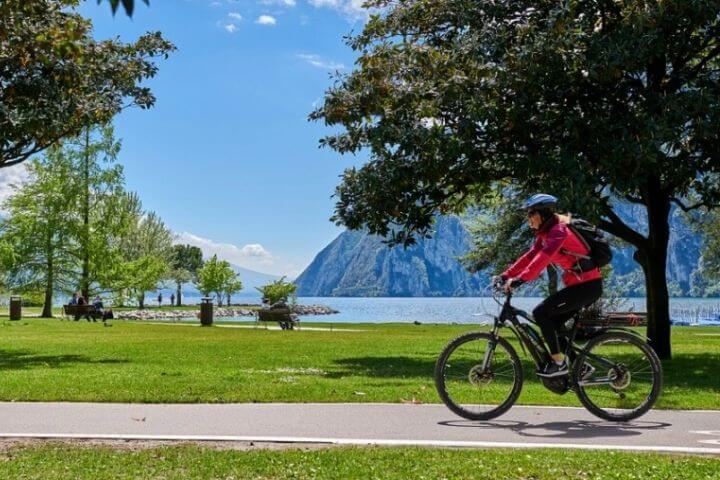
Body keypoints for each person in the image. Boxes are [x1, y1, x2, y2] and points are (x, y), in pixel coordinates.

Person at [499, 194, 603, 378]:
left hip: (588, 286)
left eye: (531, 213)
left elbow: (542, 259)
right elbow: (530, 256)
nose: (528, 218)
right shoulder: (546, 234)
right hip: (580, 285)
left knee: (540, 313)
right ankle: (581, 367)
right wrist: (507, 274)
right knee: (552, 324)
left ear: (543, 214)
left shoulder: (559, 231)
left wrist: (520, 280)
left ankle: (558, 363)